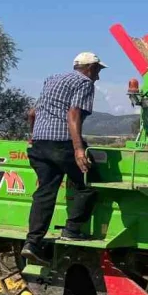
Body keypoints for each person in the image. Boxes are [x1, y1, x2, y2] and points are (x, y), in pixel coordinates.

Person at [21, 52, 105, 265]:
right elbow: (73, 114)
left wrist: (33, 137)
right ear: (91, 68)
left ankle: (32, 243)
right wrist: (78, 149)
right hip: (63, 143)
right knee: (89, 184)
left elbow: (32, 113)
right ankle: (72, 229)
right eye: (98, 71)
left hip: (40, 143)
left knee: (45, 191)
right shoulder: (85, 83)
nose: (98, 77)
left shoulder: (53, 79)